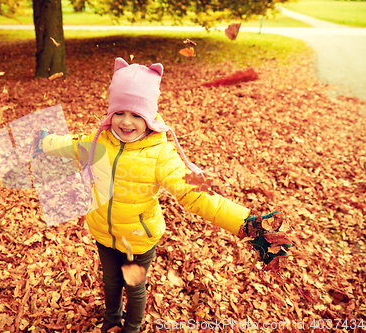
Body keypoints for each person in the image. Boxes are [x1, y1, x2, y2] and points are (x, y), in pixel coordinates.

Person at [36, 57, 290, 333]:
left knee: (133, 286)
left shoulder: (161, 155)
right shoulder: (99, 141)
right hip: (103, 233)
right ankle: (111, 317)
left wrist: (244, 222)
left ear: (150, 118)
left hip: (137, 241)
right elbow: (70, 145)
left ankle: (132, 327)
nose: (126, 121)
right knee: (110, 281)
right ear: (111, 113)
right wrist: (45, 142)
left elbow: (196, 194)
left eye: (137, 115)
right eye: (120, 112)